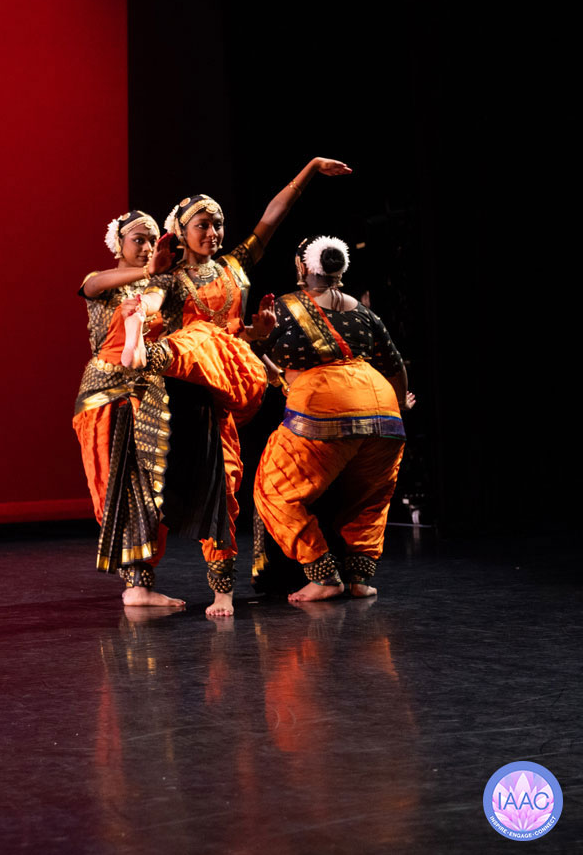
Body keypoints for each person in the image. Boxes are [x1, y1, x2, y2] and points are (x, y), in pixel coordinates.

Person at [134, 157, 352, 616]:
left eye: (217, 224)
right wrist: (151, 283)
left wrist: (309, 170)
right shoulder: (171, 280)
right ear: (181, 231)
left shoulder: (234, 266)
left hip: (228, 391)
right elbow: (147, 311)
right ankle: (140, 583)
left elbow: (272, 218)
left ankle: (223, 591)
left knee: (226, 485)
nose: (213, 233)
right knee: (161, 489)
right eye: (203, 225)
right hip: (184, 394)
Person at [250, 235, 408, 601]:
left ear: (302, 267)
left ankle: (323, 575)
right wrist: (399, 405)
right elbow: (395, 365)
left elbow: (255, 347)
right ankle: (360, 579)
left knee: (274, 490)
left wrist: (266, 355)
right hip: (384, 413)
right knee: (369, 499)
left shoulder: (286, 308)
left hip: (326, 408)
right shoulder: (365, 313)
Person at [72, 210, 184, 606]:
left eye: (152, 240)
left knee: (150, 492)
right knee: (115, 489)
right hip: (105, 395)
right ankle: (135, 585)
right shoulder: (102, 282)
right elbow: (91, 285)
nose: (147, 247)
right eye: (138, 239)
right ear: (117, 244)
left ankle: (140, 585)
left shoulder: (160, 288)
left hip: (147, 396)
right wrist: (147, 272)